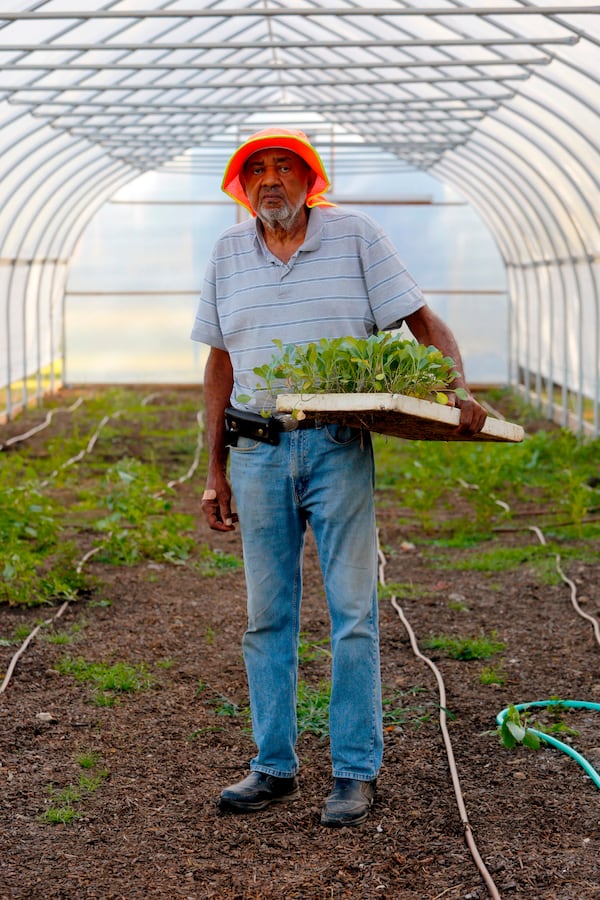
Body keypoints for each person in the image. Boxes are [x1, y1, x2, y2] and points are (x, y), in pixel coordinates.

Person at [191, 127, 487, 828]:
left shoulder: (355, 237)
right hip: (258, 450)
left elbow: (422, 321)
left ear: (308, 181)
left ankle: (355, 771)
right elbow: (219, 367)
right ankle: (273, 766)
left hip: (336, 446)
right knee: (268, 618)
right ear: (242, 187)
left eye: (284, 169)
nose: (270, 181)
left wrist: (458, 388)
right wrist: (214, 472)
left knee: (353, 613)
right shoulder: (228, 253)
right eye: (256, 171)